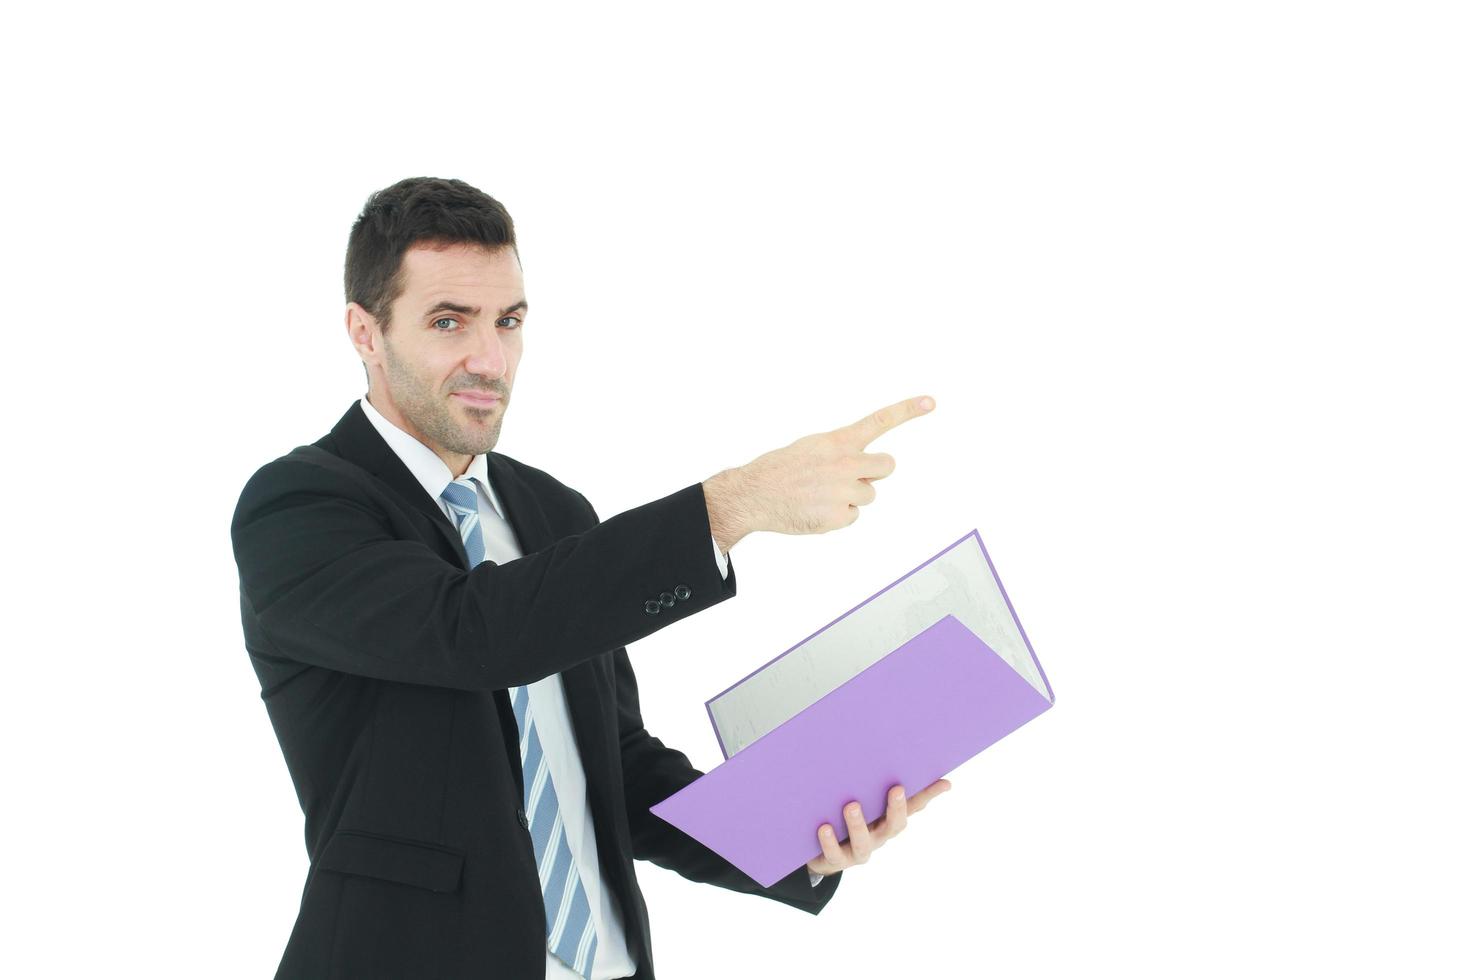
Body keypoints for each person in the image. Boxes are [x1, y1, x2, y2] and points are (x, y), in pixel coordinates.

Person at [229, 176, 951, 979]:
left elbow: (619, 769)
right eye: (447, 323)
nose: (489, 358)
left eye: (508, 321)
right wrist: (729, 506)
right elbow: (476, 634)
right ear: (365, 332)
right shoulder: (300, 507)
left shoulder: (554, 513)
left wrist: (797, 838)